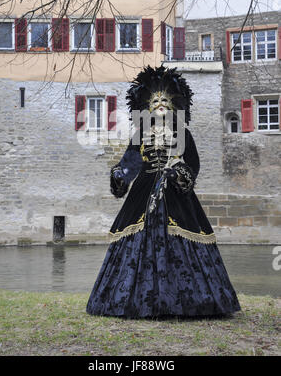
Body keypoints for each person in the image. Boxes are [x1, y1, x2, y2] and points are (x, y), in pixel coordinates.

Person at [86, 66, 241, 318]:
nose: (160, 104)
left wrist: (181, 171)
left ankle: (188, 303)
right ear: (146, 107)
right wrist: (120, 176)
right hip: (144, 194)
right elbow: (130, 165)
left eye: (165, 100)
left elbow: (193, 164)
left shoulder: (183, 134)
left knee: (183, 238)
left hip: (176, 197)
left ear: (174, 105)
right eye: (155, 101)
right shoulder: (141, 135)